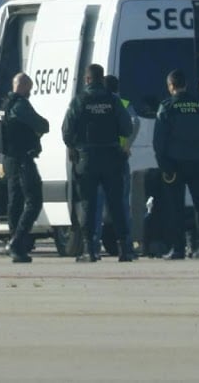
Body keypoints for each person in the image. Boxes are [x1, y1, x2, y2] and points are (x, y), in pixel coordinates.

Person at [62, 64, 134, 263]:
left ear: (87, 80)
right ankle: (124, 249)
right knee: (117, 204)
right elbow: (127, 128)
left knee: (89, 204)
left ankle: (91, 250)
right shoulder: (113, 100)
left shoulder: (79, 101)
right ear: (102, 79)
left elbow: (66, 132)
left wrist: (76, 146)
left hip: (87, 159)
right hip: (111, 157)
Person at [153, 69, 199, 260]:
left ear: (171, 86)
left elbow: (159, 140)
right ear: (186, 85)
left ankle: (178, 248)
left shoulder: (167, 106)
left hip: (174, 164)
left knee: (175, 208)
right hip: (197, 162)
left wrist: (163, 164)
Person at [1, 73, 49, 263]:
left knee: (16, 201)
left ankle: (15, 244)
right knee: (34, 200)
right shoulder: (20, 105)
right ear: (23, 87)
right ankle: (17, 241)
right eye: (29, 88)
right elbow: (42, 124)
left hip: (11, 159)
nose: (31, 92)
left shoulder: (6, 104)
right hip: (23, 159)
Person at [91, 74, 141, 257]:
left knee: (96, 205)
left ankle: (93, 246)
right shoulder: (124, 103)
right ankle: (126, 246)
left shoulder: (98, 104)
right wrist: (127, 146)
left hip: (98, 158)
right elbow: (135, 122)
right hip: (119, 158)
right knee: (121, 205)